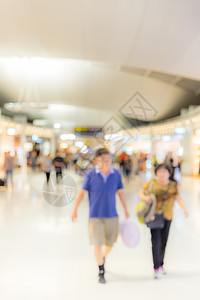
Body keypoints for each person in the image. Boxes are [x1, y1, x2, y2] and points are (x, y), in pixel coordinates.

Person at [71, 148, 130, 284]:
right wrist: (75, 209)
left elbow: (121, 193)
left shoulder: (116, 174)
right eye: (103, 160)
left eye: (108, 159)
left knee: (110, 243)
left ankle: (102, 257)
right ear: (97, 161)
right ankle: (101, 269)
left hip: (112, 214)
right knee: (97, 244)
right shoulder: (91, 175)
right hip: (95, 216)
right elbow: (82, 193)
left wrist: (126, 209)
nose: (106, 162)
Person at [139, 163, 188, 279]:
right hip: (154, 216)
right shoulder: (152, 183)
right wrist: (145, 198)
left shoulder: (173, 186)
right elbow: (141, 192)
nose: (162, 174)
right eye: (160, 171)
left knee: (164, 242)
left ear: (169, 173)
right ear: (156, 173)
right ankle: (156, 267)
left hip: (167, 217)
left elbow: (178, 198)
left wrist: (185, 209)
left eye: (165, 172)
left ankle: (161, 264)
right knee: (156, 242)